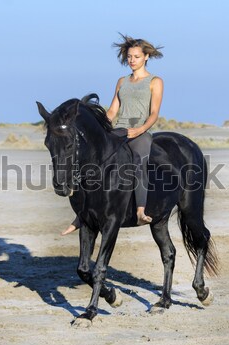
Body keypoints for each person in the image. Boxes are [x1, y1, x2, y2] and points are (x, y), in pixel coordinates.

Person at [62, 34, 164, 235]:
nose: (131, 60)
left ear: (146, 57)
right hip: (119, 131)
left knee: (138, 160)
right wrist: (98, 128)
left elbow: (154, 114)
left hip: (140, 131)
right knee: (93, 160)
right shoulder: (122, 81)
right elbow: (112, 111)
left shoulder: (155, 81)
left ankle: (141, 210)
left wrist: (141, 130)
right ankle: (82, 214)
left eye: (135, 56)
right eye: (129, 57)